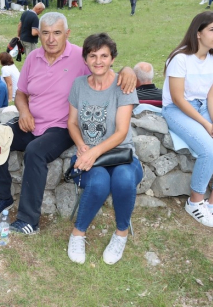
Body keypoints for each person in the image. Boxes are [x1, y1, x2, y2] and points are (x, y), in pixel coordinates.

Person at [0, 12, 137, 235]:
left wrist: (128, 70)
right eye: (45, 33)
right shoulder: (33, 58)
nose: (51, 39)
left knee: (35, 151)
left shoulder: (80, 57)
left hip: (62, 127)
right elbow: (21, 93)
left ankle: (28, 220)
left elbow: (104, 69)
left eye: (57, 33)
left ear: (67, 34)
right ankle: (2, 196)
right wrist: (24, 112)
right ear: (38, 34)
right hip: (31, 123)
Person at [66, 33, 142, 265]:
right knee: (98, 182)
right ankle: (78, 233)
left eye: (104, 56)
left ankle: (121, 234)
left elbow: (121, 132)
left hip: (121, 154)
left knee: (124, 178)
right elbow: (71, 122)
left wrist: (93, 152)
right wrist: (81, 145)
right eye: (93, 56)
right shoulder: (79, 84)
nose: (98, 61)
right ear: (86, 59)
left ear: (112, 59)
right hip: (88, 154)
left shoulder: (123, 84)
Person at [162, 11, 213, 227]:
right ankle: (195, 202)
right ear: (198, 33)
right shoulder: (180, 58)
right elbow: (177, 98)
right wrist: (205, 124)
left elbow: (212, 96)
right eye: (212, 30)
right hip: (177, 109)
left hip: (205, 106)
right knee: (210, 150)